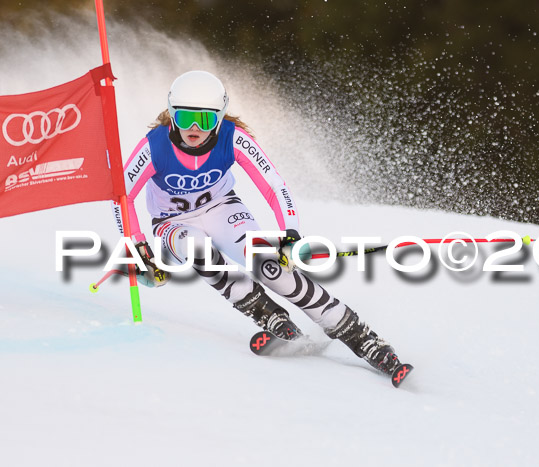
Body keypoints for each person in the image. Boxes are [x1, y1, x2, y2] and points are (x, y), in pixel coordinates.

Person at [116, 70, 405, 375]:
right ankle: (268, 314)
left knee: (267, 263)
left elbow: (274, 185)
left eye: (206, 120)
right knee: (197, 249)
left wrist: (290, 234)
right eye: (185, 118)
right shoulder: (154, 147)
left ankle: (362, 337)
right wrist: (137, 245)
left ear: (221, 116)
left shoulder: (233, 138)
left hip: (221, 208)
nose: (194, 129)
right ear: (172, 114)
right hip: (173, 222)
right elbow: (121, 196)